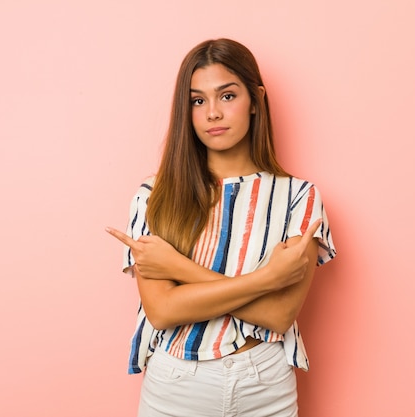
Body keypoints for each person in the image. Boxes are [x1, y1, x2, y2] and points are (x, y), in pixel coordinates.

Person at [106, 38, 336, 417]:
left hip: (266, 385)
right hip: (177, 386)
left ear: (256, 101)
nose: (212, 113)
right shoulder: (155, 194)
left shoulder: (299, 196)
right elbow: (162, 310)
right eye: (198, 101)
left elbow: (280, 315)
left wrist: (177, 267)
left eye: (227, 96)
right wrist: (267, 278)